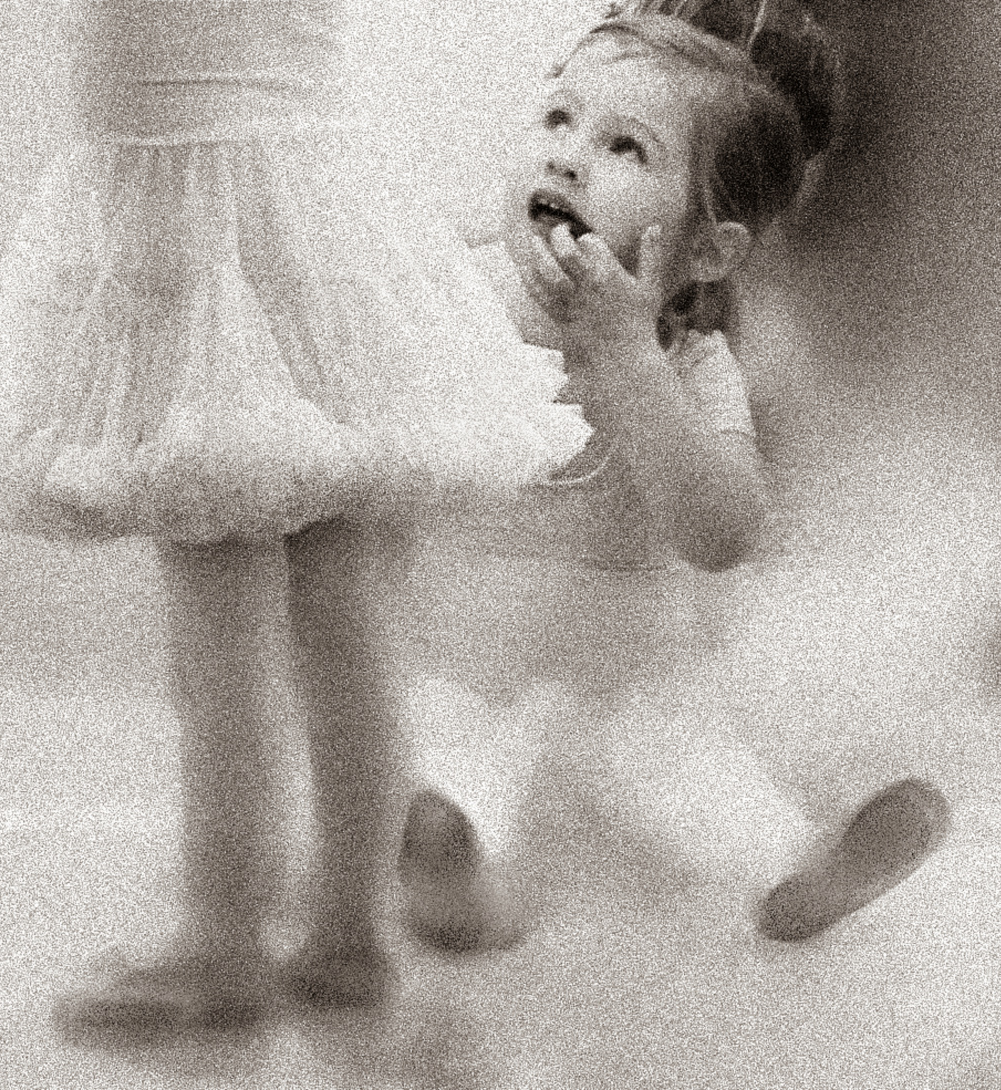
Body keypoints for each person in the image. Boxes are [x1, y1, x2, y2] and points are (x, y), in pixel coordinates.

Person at [0, 0, 589, 1031]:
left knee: (220, 629)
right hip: (323, 209)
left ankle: (224, 941)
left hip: (187, 210)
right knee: (345, 617)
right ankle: (351, 932)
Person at [393, 0, 955, 960]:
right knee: (446, 756)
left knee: (686, 765)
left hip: (634, 687)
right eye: (559, 119)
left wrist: (629, 361)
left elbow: (726, 533)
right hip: (464, 664)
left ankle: (795, 870)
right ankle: (457, 874)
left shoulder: (694, 360)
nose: (569, 158)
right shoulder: (451, 296)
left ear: (707, 247)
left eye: (625, 147)